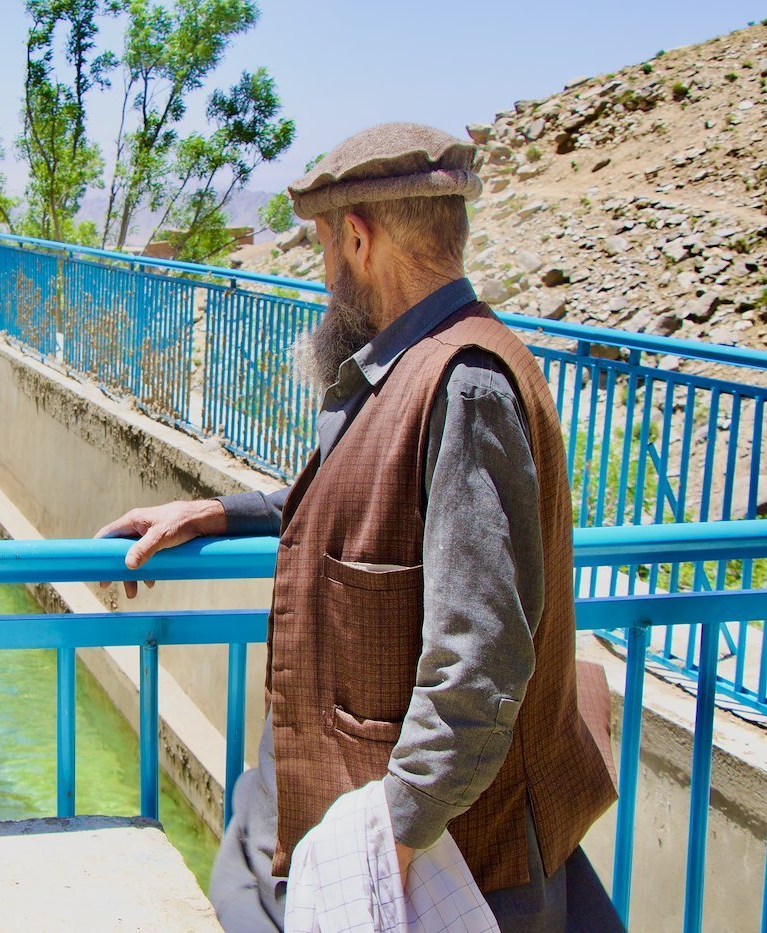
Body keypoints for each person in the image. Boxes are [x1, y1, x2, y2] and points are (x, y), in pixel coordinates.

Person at [95, 123, 620, 932]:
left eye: (323, 250)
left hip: (440, 867)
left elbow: (479, 664)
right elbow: (376, 503)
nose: (324, 276)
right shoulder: (417, 364)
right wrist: (217, 512)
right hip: (348, 824)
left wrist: (386, 848)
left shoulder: (464, 386)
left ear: (358, 238)